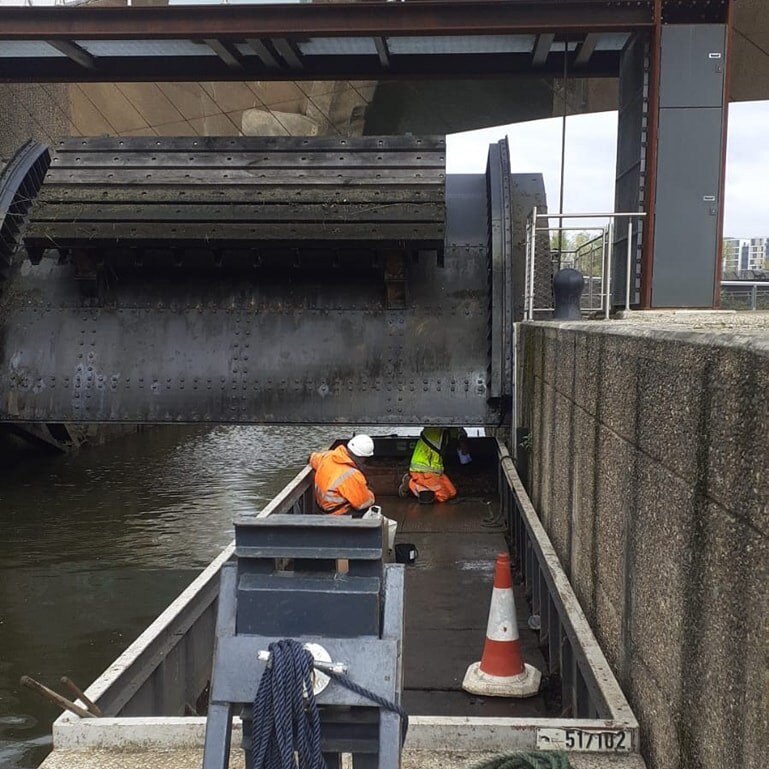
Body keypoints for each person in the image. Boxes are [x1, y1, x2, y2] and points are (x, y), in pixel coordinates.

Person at [309, 434, 376, 516]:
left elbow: (311, 458)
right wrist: (370, 493)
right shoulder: (352, 475)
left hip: (321, 508)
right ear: (363, 457)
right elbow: (363, 504)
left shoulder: (329, 456)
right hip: (338, 515)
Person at [399, 427, 470, 503]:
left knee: (452, 493)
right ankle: (411, 483)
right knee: (443, 496)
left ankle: (424, 487)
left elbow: (457, 435)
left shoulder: (446, 431)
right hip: (424, 469)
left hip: (436, 469)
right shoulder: (433, 430)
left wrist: (461, 436)